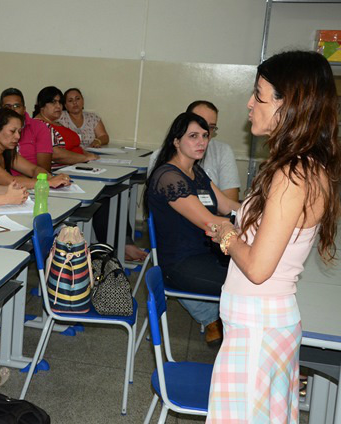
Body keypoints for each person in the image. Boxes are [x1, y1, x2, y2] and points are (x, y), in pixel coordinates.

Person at [206, 51, 341, 423]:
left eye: (260, 96)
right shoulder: (305, 166)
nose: (250, 104)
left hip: (257, 328)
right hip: (262, 322)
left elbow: (259, 267)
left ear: (290, 105)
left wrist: (227, 234)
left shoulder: (293, 173)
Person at [145, 112, 240, 345]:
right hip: (180, 264)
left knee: (253, 277)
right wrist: (263, 224)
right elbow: (210, 221)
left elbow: (226, 204)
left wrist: (258, 212)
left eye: (205, 136)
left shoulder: (195, 171)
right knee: (245, 286)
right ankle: (239, 352)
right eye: (193, 136)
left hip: (206, 254)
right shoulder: (168, 177)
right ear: (176, 141)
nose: (201, 142)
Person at [148, 100, 241, 202]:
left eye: (210, 128)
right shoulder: (164, 165)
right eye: (194, 135)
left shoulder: (198, 171)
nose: (203, 139)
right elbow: (201, 217)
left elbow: (229, 203)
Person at [0, 107, 71, 190]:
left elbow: (34, 169)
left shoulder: (7, 151)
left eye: (19, 131)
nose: (18, 137)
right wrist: (48, 183)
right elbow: (10, 182)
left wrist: (50, 178)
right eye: (12, 131)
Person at [32, 86, 98, 165]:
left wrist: (90, 155)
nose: (58, 106)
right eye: (53, 102)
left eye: (60, 102)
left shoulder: (56, 123)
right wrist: (85, 158)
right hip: (62, 171)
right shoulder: (40, 125)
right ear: (42, 105)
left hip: (80, 165)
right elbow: (56, 154)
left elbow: (75, 147)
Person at [0, 88, 53, 172]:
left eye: (17, 106)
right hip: (5, 182)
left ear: (24, 109)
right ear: (0, 110)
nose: (12, 110)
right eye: (7, 106)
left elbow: (43, 170)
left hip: (34, 181)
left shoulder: (39, 127)